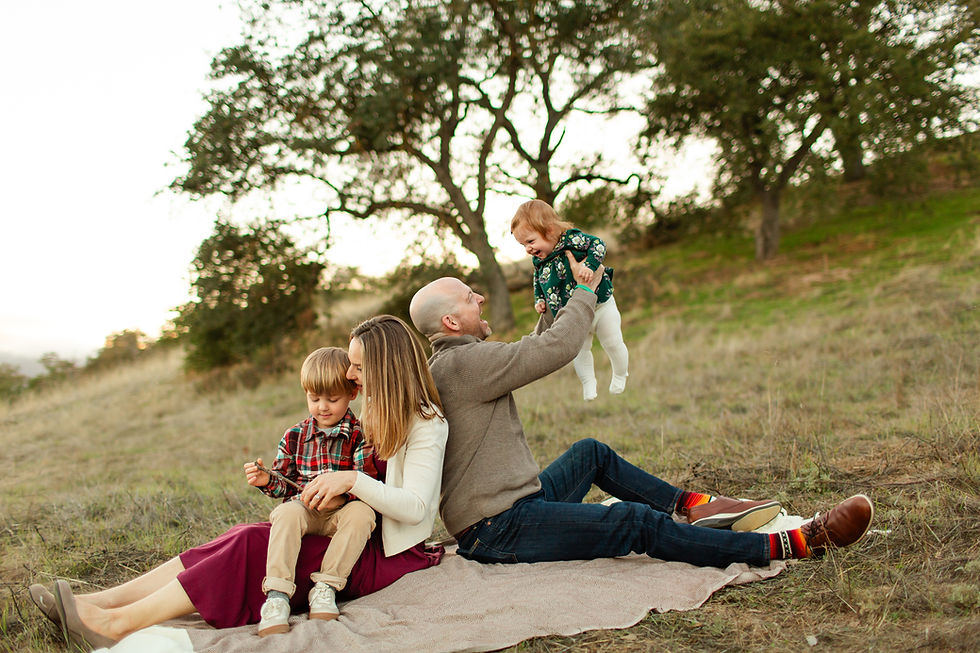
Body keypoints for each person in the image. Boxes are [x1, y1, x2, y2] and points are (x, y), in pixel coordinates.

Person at [407, 263, 874, 569]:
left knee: (590, 454)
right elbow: (558, 350)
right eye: (470, 297)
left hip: (512, 507)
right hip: (499, 528)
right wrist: (585, 293)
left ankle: (694, 506)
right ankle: (792, 544)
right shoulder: (462, 365)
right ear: (451, 322)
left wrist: (552, 313)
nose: (480, 299)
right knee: (633, 522)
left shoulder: (457, 362)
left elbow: (531, 350)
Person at [33, 315, 448, 651]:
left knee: (252, 547)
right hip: (344, 523)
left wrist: (351, 480)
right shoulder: (378, 404)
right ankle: (100, 601)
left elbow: (416, 508)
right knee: (245, 533)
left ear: (383, 367)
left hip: (382, 550)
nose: (351, 375)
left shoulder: (427, 421)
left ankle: (115, 624)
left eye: (358, 367)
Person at [243, 346, 380, 636]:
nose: (322, 407)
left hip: (340, 512)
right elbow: (283, 481)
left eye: (333, 399)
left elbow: (364, 480)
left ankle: (326, 587)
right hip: (305, 509)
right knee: (285, 513)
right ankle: (277, 597)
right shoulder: (295, 435)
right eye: (314, 398)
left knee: (363, 513)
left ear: (352, 394)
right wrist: (265, 480)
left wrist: (344, 496)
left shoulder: (360, 435)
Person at [511, 198, 629, 400]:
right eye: (523, 245)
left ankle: (620, 374)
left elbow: (598, 245)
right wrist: (539, 299)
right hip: (573, 314)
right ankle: (588, 382)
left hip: (601, 305)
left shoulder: (572, 240)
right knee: (579, 351)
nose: (528, 249)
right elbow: (538, 280)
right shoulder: (538, 260)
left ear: (549, 231)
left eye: (530, 241)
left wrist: (589, 266)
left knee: (612, 341)